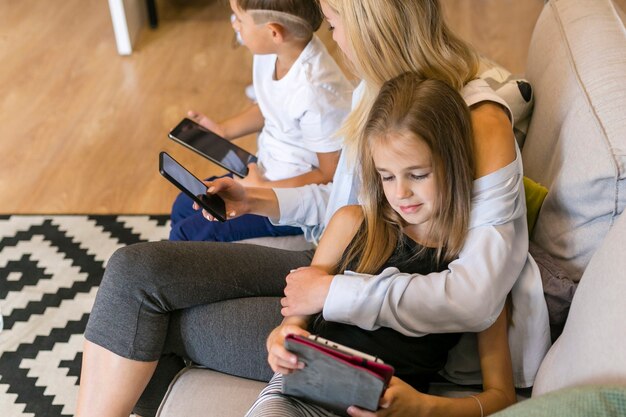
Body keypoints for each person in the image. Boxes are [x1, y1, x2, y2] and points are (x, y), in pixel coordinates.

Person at [76, 1, 550, 417]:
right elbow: (349, 202)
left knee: (142, 324)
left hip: (350, 311)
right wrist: (257, 199)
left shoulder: (475, 122)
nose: (331, 37)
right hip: (333, 265)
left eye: (332, 21)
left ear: (372, 27)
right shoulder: (378, 93)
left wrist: (328, 294)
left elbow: (478, 297)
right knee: (133, 270)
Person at [246, 73, 517, 417]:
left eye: (418, 174)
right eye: (387, 176)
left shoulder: (472, 269)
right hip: (301, 398)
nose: (400, 193)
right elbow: (293, 324)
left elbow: (501, 396)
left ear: (455, 163)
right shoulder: (351, 224)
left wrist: (424, 407)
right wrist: (279, 340)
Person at [169, 0, 353, 242]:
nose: (234, 24)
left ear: (274, 32)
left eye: (240, 19)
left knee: (189, 233)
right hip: (266, 172)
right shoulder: (273, 52)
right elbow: (270, 105)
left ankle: (178, 270)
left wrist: (262, 189)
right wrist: (223, 130)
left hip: (288, 198)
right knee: (184, 204)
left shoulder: (317, 91)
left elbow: (330, 175)